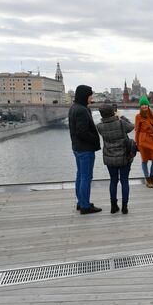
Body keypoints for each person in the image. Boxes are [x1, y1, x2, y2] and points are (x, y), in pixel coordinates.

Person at [68, 84, 102, 214]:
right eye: (90, 95)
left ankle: (81, 201)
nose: (91, 97)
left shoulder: (74, 108)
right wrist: (94, 138)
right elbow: (82, 132)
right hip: (85, 149)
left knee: (80, 175)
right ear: (84, 96)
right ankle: (85, 206)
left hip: (77, 147)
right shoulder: (82, 110)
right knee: (86, 177)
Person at [96, 104, 135, 214]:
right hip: (124, 157)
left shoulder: (99, 126)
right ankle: (124, 207)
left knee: (113, 181)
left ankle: (113, 206)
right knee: (124, 181)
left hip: (110, 158)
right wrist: (121, 117)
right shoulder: (121, 123)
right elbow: (131, 126)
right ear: (113, 112)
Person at [135, 95, 153, 188]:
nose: (144, 106)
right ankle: (147, 180)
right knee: (144, 161)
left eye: (145, 104)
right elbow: (137, 130)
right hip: (143, 141)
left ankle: (152, 177)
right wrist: (137, 143)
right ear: (140, 106)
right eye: (142, 105)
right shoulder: (138, 116)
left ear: (148, 105)